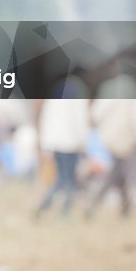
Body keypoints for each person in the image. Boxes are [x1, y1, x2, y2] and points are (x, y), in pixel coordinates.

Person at [84, 76, 136, 218]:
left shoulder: (108, 89)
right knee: (117, 176)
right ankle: (118, 209)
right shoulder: (135, 93)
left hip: (106, 140)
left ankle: (122, 209)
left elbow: (95, 114)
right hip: (124, 143)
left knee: (118, 176)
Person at [34, 82, 90, 218]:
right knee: (68, 181)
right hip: (71, 145)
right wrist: (83, 144)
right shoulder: (78, 99)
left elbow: (46, 122)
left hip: (56, 145)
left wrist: (46, 147)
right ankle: (63, 213)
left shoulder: (52, 100)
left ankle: (44, 206)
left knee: (61, 179)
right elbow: (81, 122)